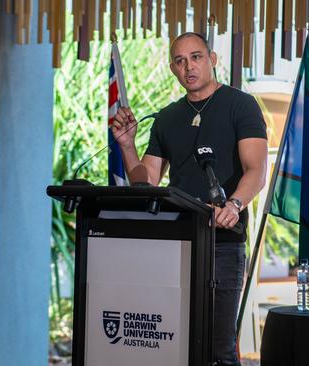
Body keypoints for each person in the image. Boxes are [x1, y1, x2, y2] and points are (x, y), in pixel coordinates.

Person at [112, 32, 267, 365]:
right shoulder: (166, 118)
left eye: (196, 57)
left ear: (212, 60)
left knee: (219, 348)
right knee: (177, 343)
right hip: (176, 242)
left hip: (222, 242)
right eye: (180, 61)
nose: (189, 67)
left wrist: (234, 205)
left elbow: (255, 170)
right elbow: (148, 181)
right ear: (173, 69)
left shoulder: (240, 105)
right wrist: (127, 146)